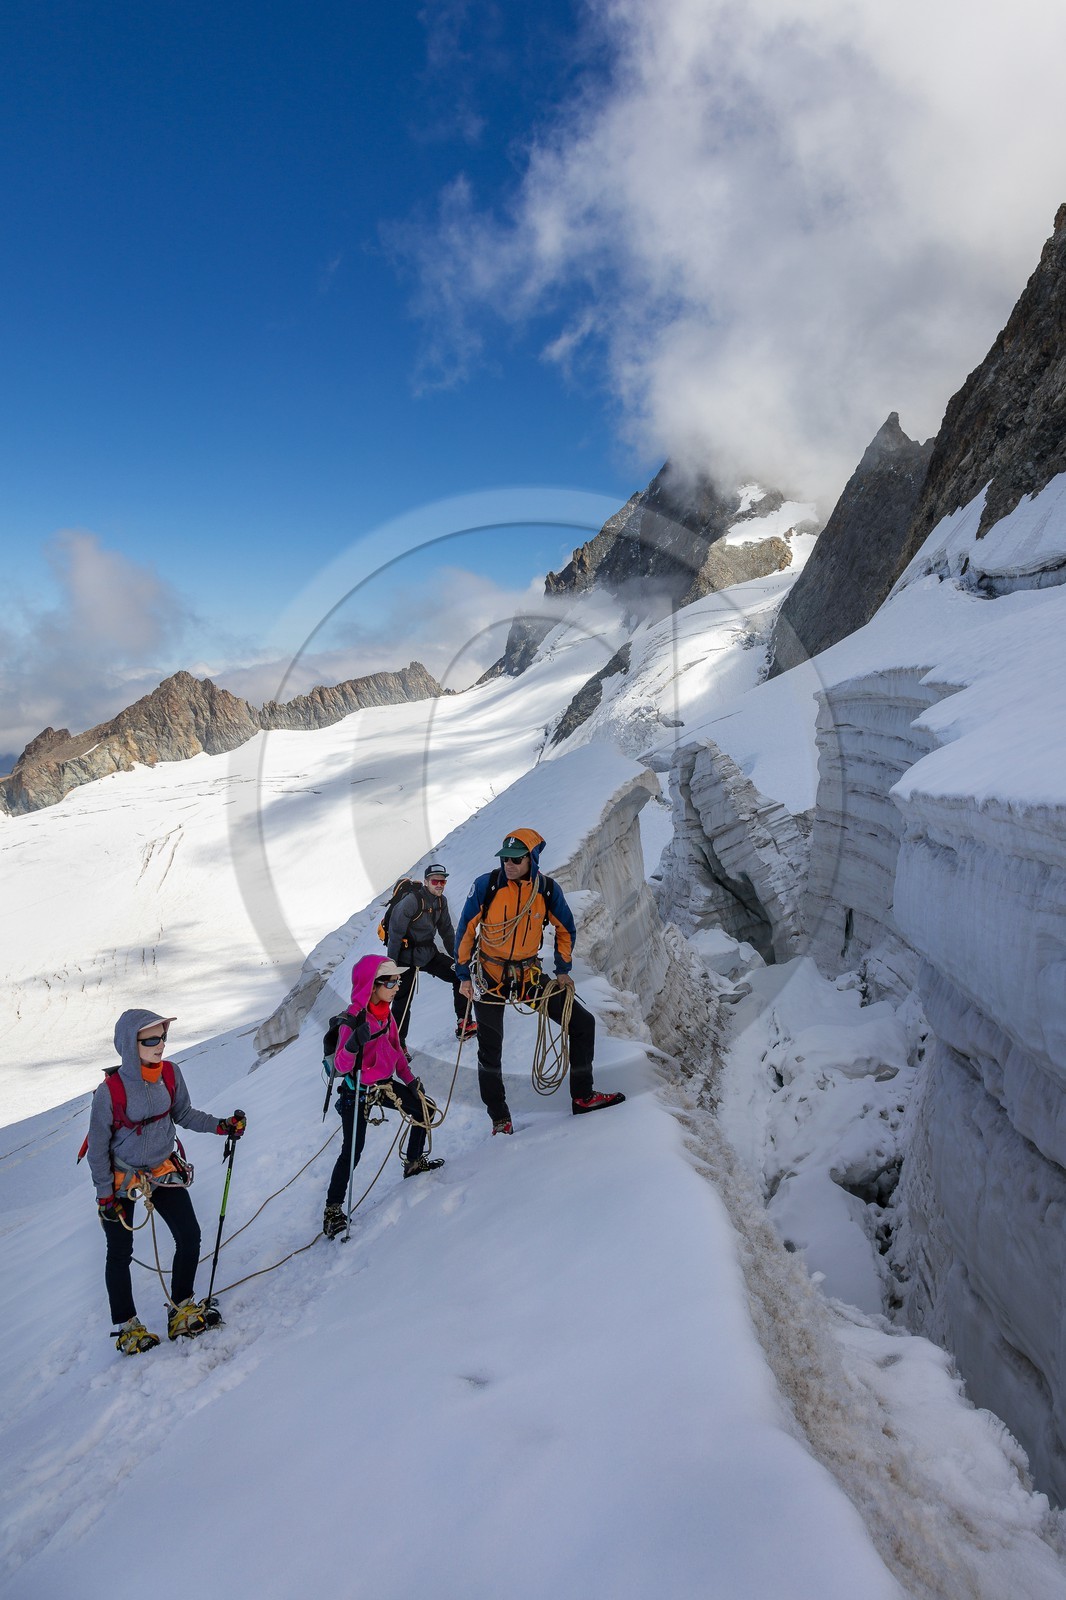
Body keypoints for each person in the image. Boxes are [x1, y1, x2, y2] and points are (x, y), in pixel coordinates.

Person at [87, 1009, 247, 1355]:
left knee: (189, 1236)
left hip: (161, 1169)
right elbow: (97, 1149)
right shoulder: (110, 1093)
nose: (160, 1045)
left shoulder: (171, 1075)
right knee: (119, 1252)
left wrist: (222, 1125)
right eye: (151, 1040)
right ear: (132, 1045)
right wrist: (104, 1196)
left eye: (162, 1037)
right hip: (121, 1179)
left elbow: (184, 1114)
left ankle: (182, 1308)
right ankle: (128, 1327)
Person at [454, 828, 625, 1134]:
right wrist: (464, 975)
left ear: (531, 859)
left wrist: (563, 969)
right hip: (489, 977)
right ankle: (500, 1119)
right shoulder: (487, 886)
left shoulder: (546, 890)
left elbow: (565, 929)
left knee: (582, 1023)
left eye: (516, 859)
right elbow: (466, 930)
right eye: (505, 858)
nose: (509, 864)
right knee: (489, 1050)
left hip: (526, 977)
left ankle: (583, 1096)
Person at [322, 954, 444, 1239]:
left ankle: (413, 1163)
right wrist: (353, 1043)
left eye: (397, 980)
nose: (396, 986)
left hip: (382, 1085)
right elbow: (340, 1066)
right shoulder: (351, 1021)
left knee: (425, 1110)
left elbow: (396, 1051)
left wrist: (411, 1080)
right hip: (357, 1092)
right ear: (372, 985)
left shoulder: (385, 1013)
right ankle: (332, 1211)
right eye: (390, 981)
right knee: (352, 1151)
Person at [388, 862, 474, 1048]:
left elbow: (447, 933)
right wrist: (392, 968)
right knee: (402, 1001)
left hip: (428, 953)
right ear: (426, 881)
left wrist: (460, 961)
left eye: (443, 882)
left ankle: (464, 1023)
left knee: (460, 976)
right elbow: (394, 935)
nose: (439, 885)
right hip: (405, 957)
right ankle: (397, 1045)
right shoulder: (411, 901)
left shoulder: (441, 902)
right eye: (435, 881)